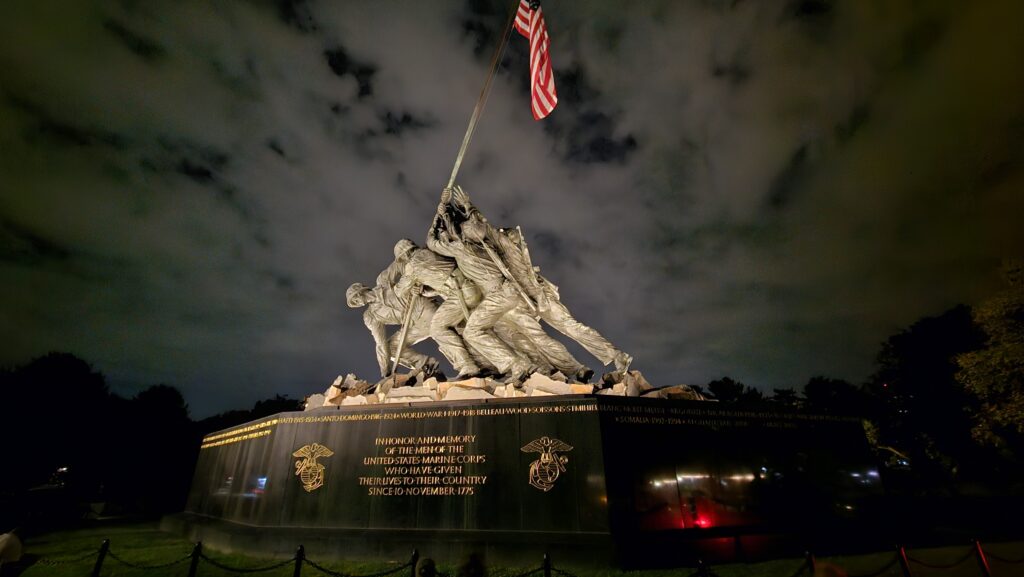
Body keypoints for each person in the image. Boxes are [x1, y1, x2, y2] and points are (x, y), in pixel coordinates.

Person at [346, 240, 439, 377]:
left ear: (360, 292)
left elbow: (401, 263)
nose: (356, 302)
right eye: (354, 303)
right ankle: (427, 365)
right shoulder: (371, 317)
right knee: (391, 348)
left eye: (355, 299)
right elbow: (381, 344)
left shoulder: (383, 280)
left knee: (451, 332)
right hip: (415, 324)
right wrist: (385, 371)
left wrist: (414, 281)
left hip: (424, 309)